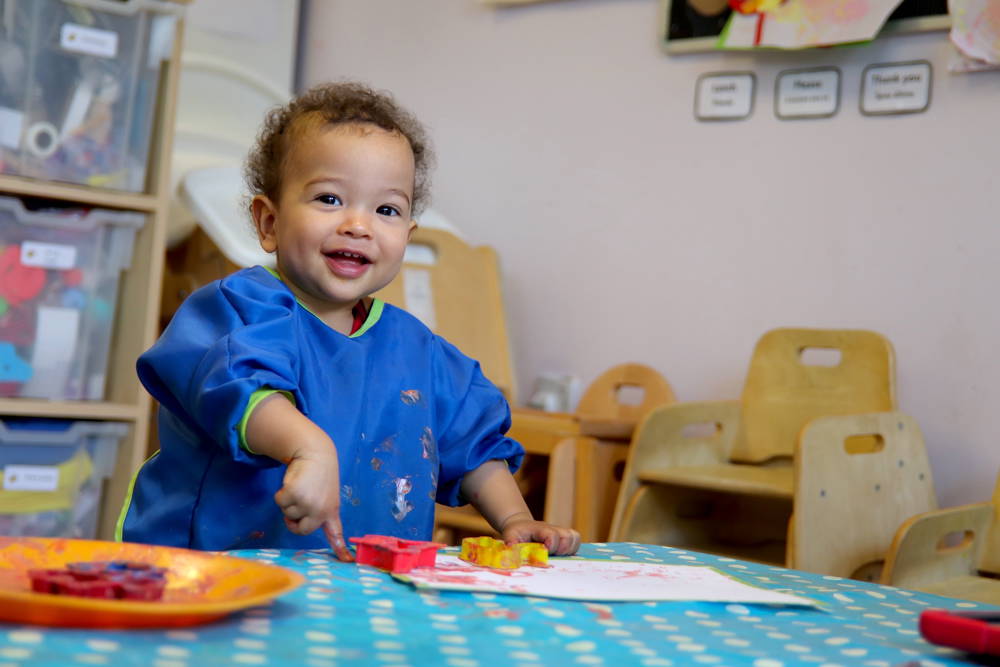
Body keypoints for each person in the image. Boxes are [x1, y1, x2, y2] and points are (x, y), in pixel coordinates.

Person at [116, 81, 580, 560]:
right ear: (269, 222)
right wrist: (308, 448)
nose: (358, 225)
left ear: (407, 236)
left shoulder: (417, 349)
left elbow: (473, 443)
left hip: (359, 585)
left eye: (386, 209)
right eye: (329, 199)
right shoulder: (237, 310)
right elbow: (240, 389)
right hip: (208, 570)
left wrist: (515, 519)